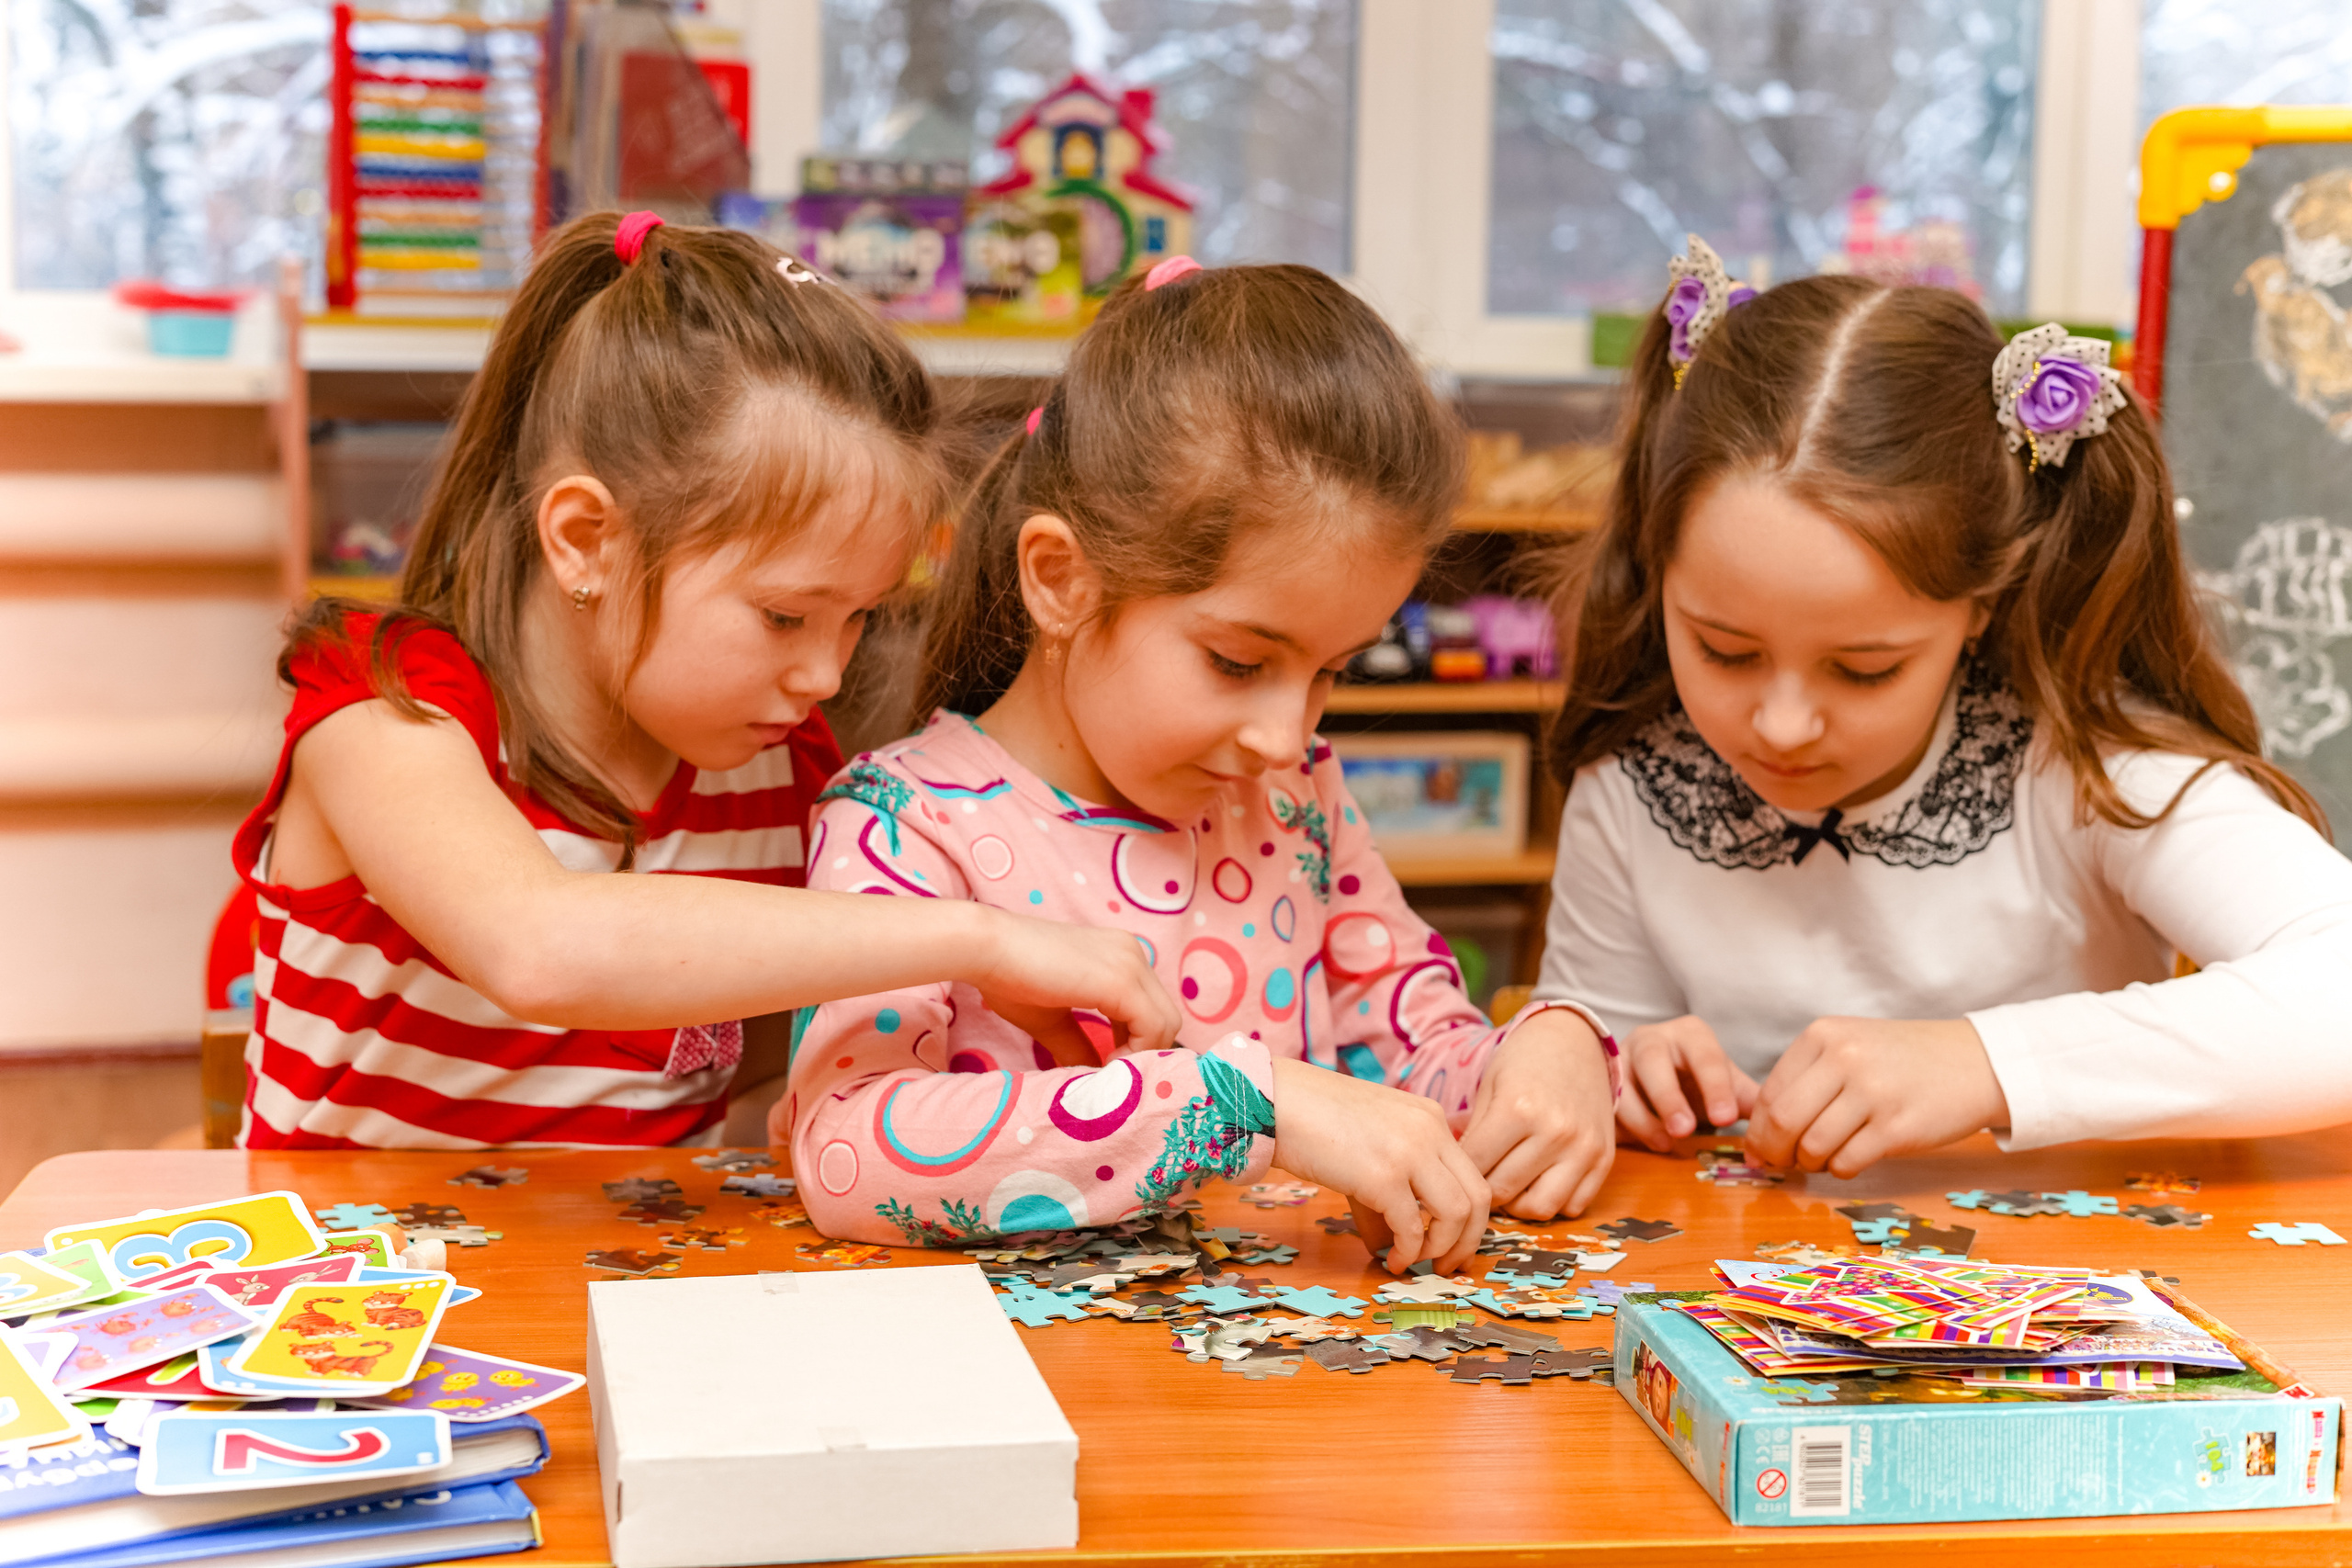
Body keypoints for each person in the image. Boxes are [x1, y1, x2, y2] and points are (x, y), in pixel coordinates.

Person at [234, 210, 1177, 1149]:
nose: (825, 672)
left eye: (862, 616)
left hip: (619, 1283)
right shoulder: (384, 706)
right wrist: (979, 938)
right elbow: (535, 945)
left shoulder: (780, 770)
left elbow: (759, 1074)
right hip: (351, 1289)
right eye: (783, 615)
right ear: (585, 542)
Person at [778, 258, 1623, 1270]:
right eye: (1238, 661)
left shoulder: (1293, 793)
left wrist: (1554, 1048)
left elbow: (1414, 1048)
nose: (1283, 732)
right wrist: (1236, 1101)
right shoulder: (901, 824)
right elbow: (848, 1148)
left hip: (1277, 1395)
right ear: (1060, 581)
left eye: (1330, 672)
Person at [1537, 237, 2352, 1178]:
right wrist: (1612, 1070)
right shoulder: (1634, 779)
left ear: (1979, 607)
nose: (1782, 724)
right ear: (1657, 567)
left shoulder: (2086, 763)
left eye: (1863, 669)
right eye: (1724, 650)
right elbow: (1589, 1069)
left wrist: (1983, 1063)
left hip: (2071, 1298)